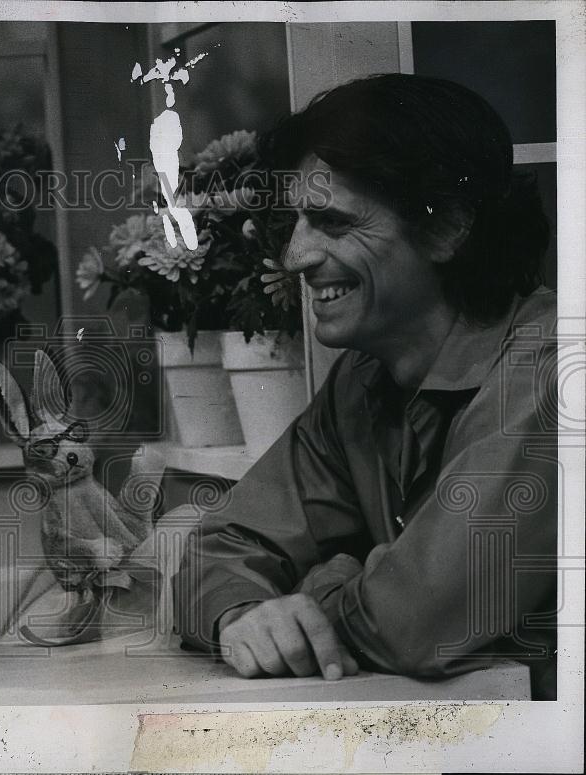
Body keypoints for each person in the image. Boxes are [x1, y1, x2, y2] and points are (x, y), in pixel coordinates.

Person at [173, 73, 558, 700]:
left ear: (445, 228)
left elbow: (419, 620)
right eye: (294, 223)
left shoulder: (551, 369)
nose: (294, 256)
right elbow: (223, 545)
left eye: (331, 222)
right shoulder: (363, 378)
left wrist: (319, 588)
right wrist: (242, 615)